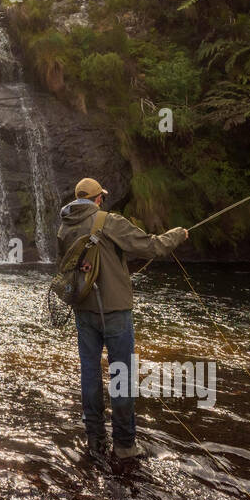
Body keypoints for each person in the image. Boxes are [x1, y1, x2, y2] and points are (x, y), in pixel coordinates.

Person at [57, 177, 187, 468]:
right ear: (98, 199)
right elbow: (151, 246)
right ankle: (126, 445)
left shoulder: (64, 226)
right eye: (102, 197)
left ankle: (95, 439)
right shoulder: (108, 221)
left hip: (83, 311)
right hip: (115, 311)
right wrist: (177, 235)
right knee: (122, 375)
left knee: (90, 373)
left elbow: (64, 268)